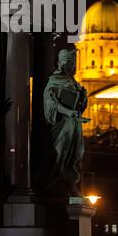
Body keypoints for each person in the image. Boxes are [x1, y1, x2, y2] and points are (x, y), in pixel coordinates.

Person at [42, 49, 88, 196]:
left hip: (74, 123)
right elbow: (50, 102)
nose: (73, 67)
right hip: (62, 123)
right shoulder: (55, 79)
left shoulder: (74, 81)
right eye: (71, 63)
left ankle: (71, 182)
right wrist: (68, 112)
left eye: (73, 63)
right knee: (61, 152)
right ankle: (57, 182)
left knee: (76, 153)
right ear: (64, 63)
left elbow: (79, 106)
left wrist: (84, 98)